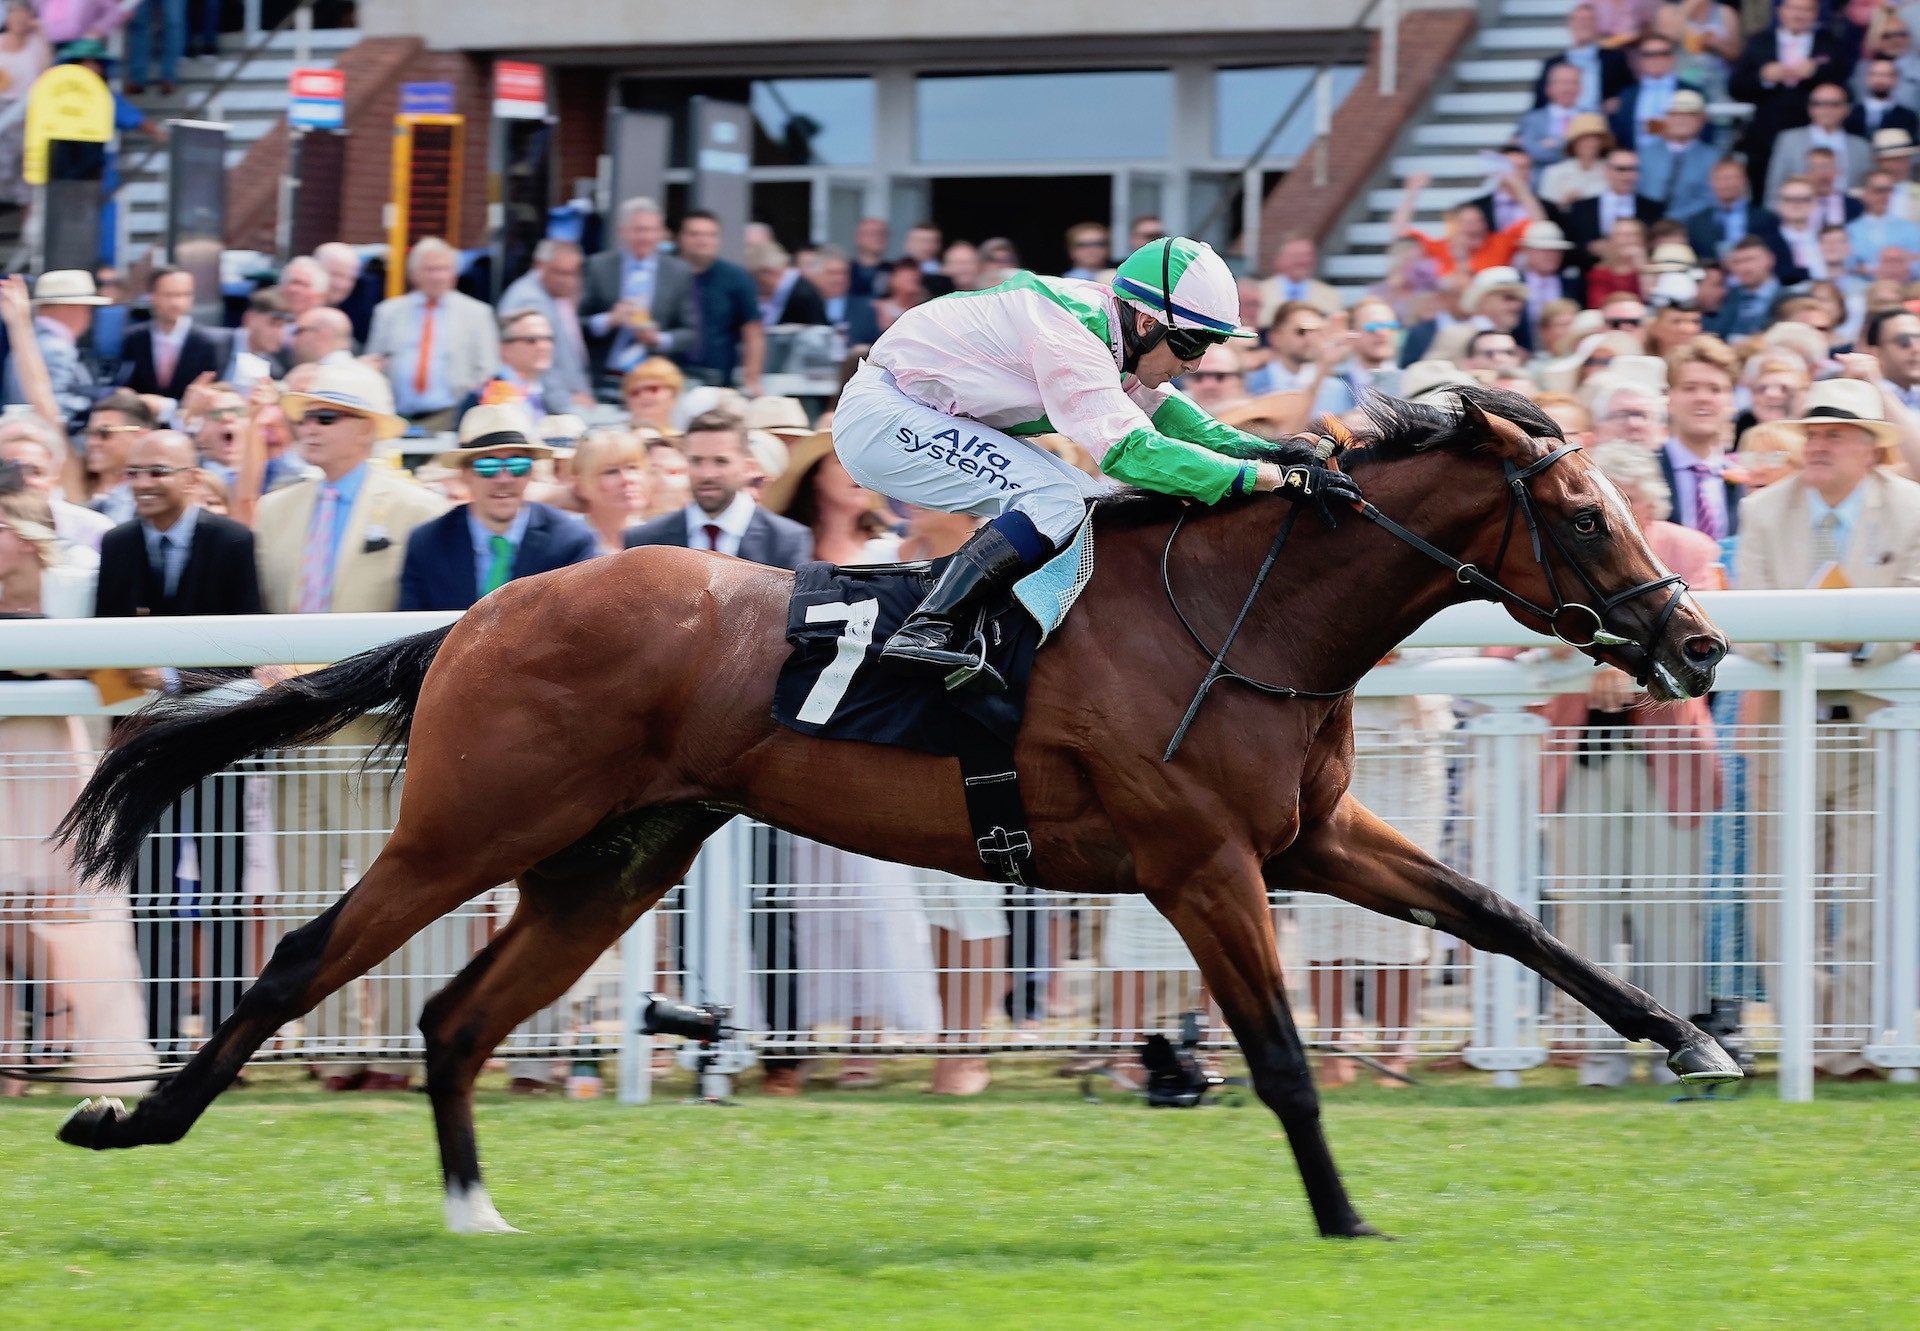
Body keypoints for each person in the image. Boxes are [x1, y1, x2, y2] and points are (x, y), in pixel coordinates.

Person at [833, 236, 1360, 682]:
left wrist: (1276, 452)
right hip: (884, 416)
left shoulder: (1117, 332)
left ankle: (1008, 633)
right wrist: (1270, 479)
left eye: (1212, 344)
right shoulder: (1072, 337)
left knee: (1094, 505)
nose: (1198, 362)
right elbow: (1132, 453)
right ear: (1148, 323)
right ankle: (929, 627)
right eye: (1191, 343)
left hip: (928, 408)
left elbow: (1182, 422)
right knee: (1057, 499)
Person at [1735, 378, 1920, 1076]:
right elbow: (1748, 619)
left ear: (1872, 448)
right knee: (1780, 889)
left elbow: (1910, 605)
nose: (1817, 443)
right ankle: (1809, 1042)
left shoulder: (1911, 507)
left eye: (1835, 434)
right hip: (1787, 727)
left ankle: (1857, 1043)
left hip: (1875, 730)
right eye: (1813, 431)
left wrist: (1849, 648)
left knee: (1875, 886)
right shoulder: (1762, 509)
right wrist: (1814, 645)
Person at [93, 429, 262, 1057]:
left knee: (223, 888)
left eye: (157, 472)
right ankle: (159, 1038)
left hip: (219, 743)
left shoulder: (233, 543)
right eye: (133, 472)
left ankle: (226, 1041)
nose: (141, 483)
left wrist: (166, 678)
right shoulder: (117, 544)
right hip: (145, 747)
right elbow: (103, 654)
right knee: (151, 890)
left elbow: (248, 651)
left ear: (192, 478)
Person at [0, 467, 156, 1097]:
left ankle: (105, 1060)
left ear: (31, 537)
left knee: (80, 920)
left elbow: (121, 682)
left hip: (56, 764)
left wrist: (61, 657)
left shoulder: (80, 590)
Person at [400, 403, 597, 611]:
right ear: (465, 475)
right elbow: (411, 631)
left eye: (517, 465)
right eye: (487, 466)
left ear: (531, 473)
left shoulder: (570, 542)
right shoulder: (428, 543)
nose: (504, 479)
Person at [623, 408, 812, 565]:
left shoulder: (786, 541)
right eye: (697, 461)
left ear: (747, 465)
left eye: (720, 461)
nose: (707, 474)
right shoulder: (645, 541)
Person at [365, 237, 500, 430]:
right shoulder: (388, 312)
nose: (437, 276)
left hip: (449, 417)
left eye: (444, 269)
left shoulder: (477, 313)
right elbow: (373, 363)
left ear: (454, 274)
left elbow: (488, 369)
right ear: (414, 274)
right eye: (430, 269)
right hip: (396, 416)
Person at [1730, 0, 1857, 197]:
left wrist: (1816, 72)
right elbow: (1736, 87)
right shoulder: (1760, 42)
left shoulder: (1830, 43)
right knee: (1767, 189)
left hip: (1815, 132)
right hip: (1766, 135)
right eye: (1793, 8)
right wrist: (1763, 78)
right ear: (1780, 11)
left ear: (1816, 14)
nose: (1799, 15)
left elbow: (1843, 81)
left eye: (1806, 9)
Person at [581, 196, 696, 391]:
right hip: (603, 377)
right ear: (622, 232)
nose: (646, 237)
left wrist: (658, 339)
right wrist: (608, 320)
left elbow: (689, 331)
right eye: (638, 230)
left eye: (652, 230)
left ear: (661, 233)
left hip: (654, 380)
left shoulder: (678, 272)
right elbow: (573, 322)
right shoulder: (597, 267)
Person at [1658, 337, 1742, 539]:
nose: (1702, 398)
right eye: (1689, 388)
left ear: (1731, 402)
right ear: (1669, 399)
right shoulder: (1647, 470)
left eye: (1715, 389)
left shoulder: (1743, 481)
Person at [674, 210, 764, 394]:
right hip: (667, 376)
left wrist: (751, 380)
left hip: (717, 379)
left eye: (710, 235)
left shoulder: (736, 278)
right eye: (694, 234)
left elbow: (753, 333)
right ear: (680, 238)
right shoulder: (663, 275)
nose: (703, 241)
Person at [499, 238, 592, 408]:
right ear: (539, 265)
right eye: (561, 272)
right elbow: (537, 363)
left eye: (574, 273)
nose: (568, 280)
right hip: (545, 406)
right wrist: (567, 405)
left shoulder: (555, 296)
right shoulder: (529, 300)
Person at [118, 267, 229, 400]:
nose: (177, 303)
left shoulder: (207, 343)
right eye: (169, 295)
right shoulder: (134, 339)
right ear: (152, 296)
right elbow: (124, 382)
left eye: (185, 295)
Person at [457, 308, 573, 419]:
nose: (543, 346)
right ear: (504, 348)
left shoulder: (549, 393)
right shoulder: (482, 396)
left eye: (548, 338)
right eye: (531, 340)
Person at [568, 427, 652, 555]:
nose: (627, 479)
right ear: (581, 485)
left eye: (633, 468)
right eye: (611, 471)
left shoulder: (659, 536)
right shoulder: (564, 539)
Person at [1534, 4, 1632, 111]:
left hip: (1602, 123)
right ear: (1570, 24)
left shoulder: (1615, 59)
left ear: (1597, 25)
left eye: (1589, 19)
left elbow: (1631, 92)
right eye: (1579, 20)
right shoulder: (1552, 64)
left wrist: (1619, 101)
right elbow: (1539, 104)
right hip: (1563, 123)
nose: (1584, 24)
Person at [1639, 90, 1717, 218]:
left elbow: (1711, 199)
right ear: (1665, 119)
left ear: (1702, 121)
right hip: (1647, 226)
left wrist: (1674, 221)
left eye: (1690, 115)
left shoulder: (1713, 158)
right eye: (1675, 115)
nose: (1682, 120)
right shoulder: (1645, 154)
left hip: (1692, 229)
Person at [1707, 237, 1784, 339]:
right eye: (1737, 262)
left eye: (1750, 260)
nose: (1744, 268)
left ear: (1770, 259)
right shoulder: (1724, 297)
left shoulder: (1790, 298)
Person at [1538, 113, 1615, 209]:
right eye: (1583, 139)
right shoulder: (1554, 172)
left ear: (1603, 142)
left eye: (1594, 138)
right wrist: (1563, 203)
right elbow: (1546, 210)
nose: (1589, 143)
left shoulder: (1613, 171)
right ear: (1573, 142)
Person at [621, 358, 683, 434]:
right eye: (635, 392)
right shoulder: (615, 440)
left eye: (653, 389)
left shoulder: (686, 442)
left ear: (673, 393)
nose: (644, 396)